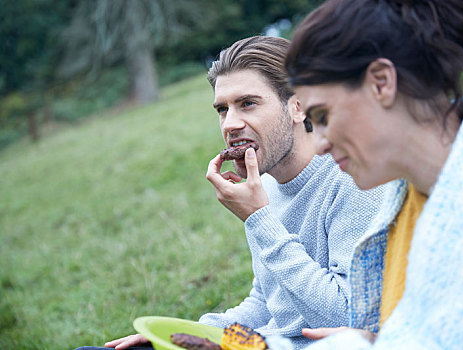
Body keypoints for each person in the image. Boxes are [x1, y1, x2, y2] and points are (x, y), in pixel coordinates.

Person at [76, 36, 386, 350]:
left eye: (248, 103)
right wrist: (187, 334)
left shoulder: (353, 180)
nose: (231, 124)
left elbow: (346, 318)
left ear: (298, 106)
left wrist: (259, 219)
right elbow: (267, 303)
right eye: (222, 109)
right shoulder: (263, 189)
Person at [280, 0, 463, 349]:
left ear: (381, 82)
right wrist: (375, 338)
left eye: (322, 117)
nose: (318, 144)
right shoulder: (410, 190)